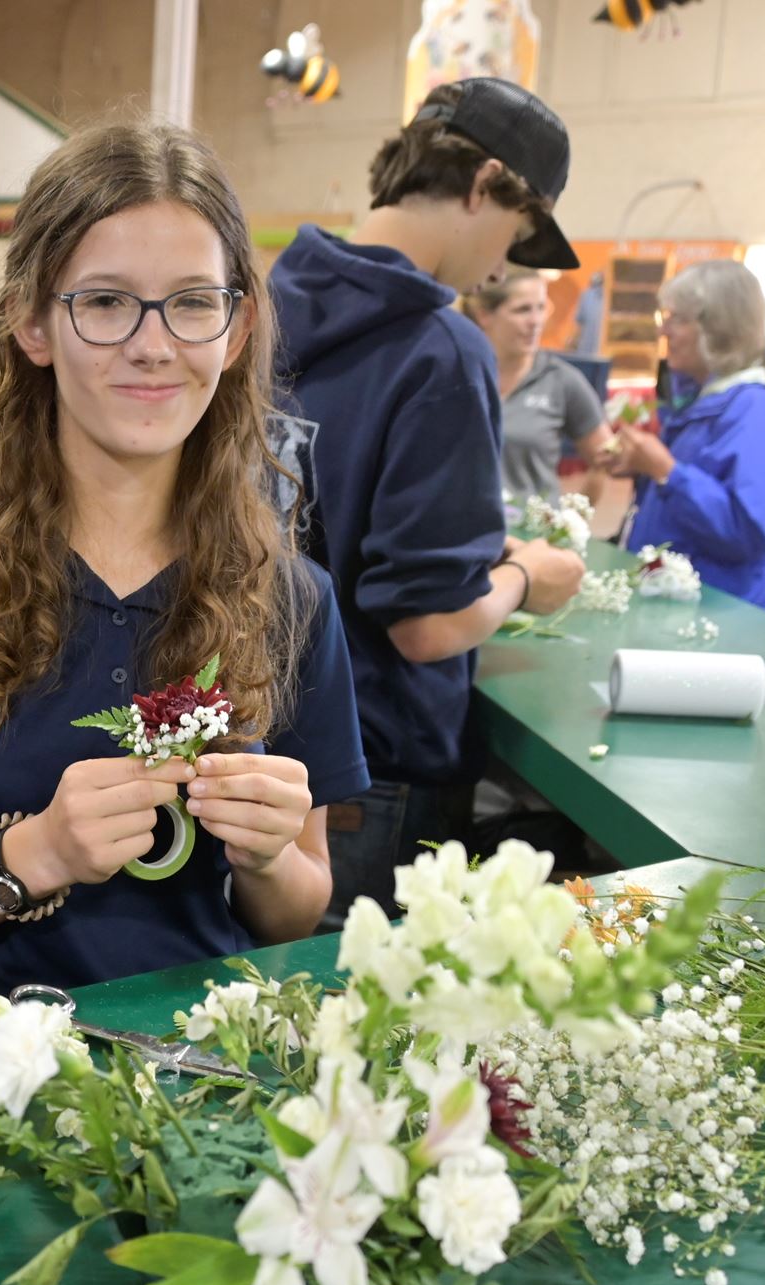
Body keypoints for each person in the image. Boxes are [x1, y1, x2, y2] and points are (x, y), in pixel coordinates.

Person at [0, 120, 370, 1014]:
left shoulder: (290, 595)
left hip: (201, 1071)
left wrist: (267, 856)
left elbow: (297, 913)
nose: (153, 345)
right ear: (34, 322)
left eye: (193, 302)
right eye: (106, 302)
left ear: (236, 330)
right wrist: (33, 858)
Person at [267, 77, 585, 922]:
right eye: (513, 237)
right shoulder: (441, 350)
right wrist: (525, 576)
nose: (500, 269)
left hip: (257, 744)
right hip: (374, 768)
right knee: (365, 1033)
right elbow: (426, 626)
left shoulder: (263, 304)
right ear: (483, 184)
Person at [598, 259, 765, 614]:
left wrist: (666, 470)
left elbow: (746, 533)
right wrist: (642, 469)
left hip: (726, 616)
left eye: (677, 319)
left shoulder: (763, 411)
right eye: (664, 318)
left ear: (719, 328)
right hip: (685, 606)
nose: (664, 332)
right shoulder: (708, 399)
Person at [465, 268, 613, 510]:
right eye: (523, 309)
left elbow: (604, 458)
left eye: (541, 307)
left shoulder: (561, 380)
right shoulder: (460, 374)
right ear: (484, 315)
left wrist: (568, 523)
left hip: (531, 540)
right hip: (464, 536)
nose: (536, 321)